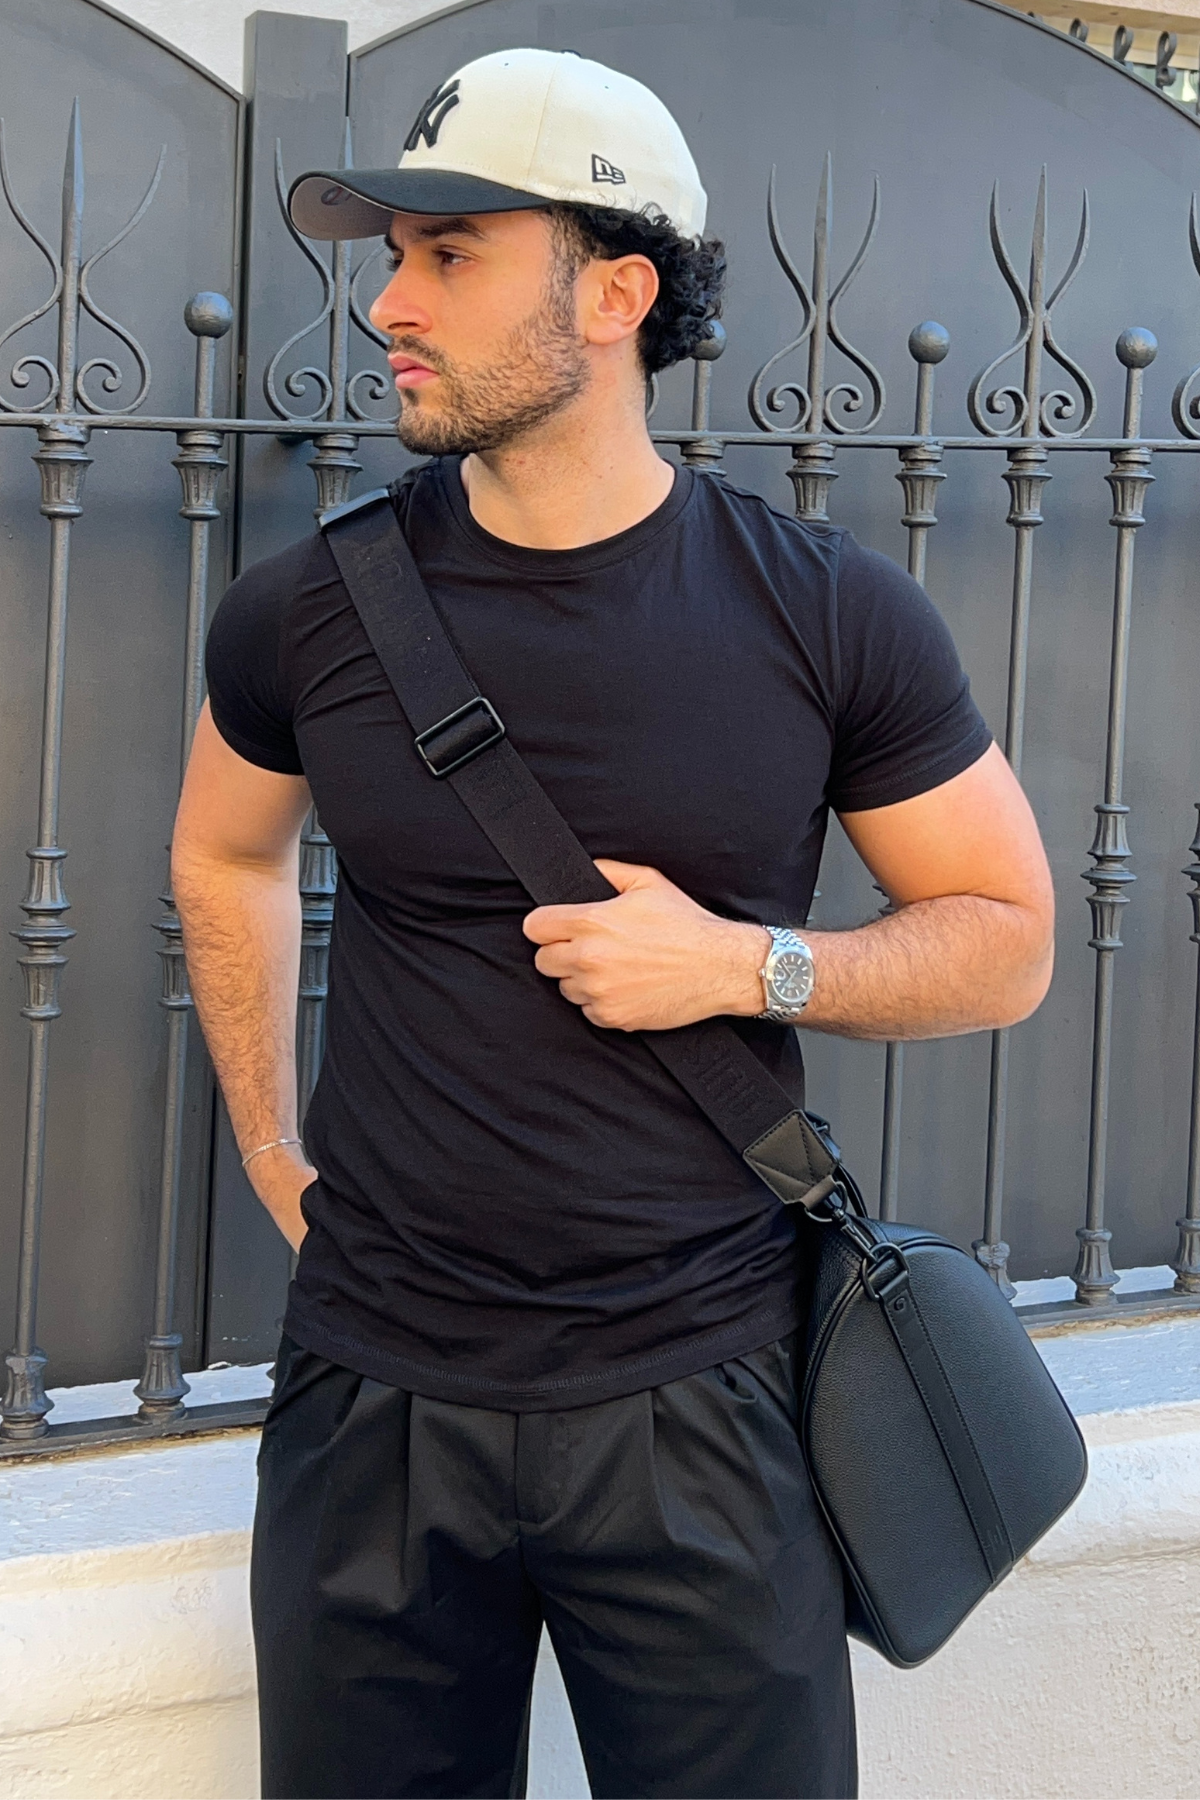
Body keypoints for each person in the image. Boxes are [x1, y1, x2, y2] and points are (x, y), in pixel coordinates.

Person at [173, 46, 1055, 1800]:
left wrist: (746, 963)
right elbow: (225, 855)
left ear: (616, 292)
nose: (390, 304)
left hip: (703, 1394)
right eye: (392, 257)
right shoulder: (305, 612)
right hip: (371, 1396)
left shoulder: (824, 616)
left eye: (451, 254)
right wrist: (271, 1144)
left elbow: (1009, 935)